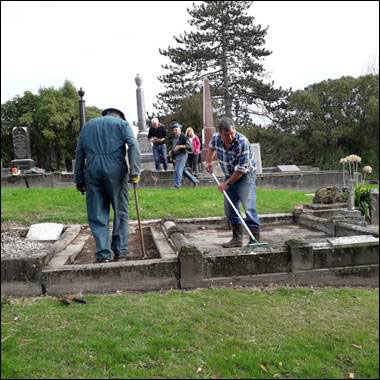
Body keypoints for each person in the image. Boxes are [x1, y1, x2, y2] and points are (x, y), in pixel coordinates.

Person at [74, 108, 141, 263]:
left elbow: (79, 153)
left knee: (97, 212)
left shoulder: (88, 125)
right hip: (115, 169)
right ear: (119, 116)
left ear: (104, 115)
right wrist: (135, 171)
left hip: (92, 169)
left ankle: (103, 254)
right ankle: (120, 251)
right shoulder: (122, 124)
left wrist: (79, 178)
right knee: (121, 210)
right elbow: (133, 146)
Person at [205, 117, 260, 247]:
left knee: (249, 207)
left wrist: (226, 184)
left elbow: (241, 170)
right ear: (220, 133)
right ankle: (237, 239)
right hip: (229, 174)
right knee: (230, 209)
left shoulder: (242, 142)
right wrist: (208, 162)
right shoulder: (215, 138)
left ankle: (255, 240)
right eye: (226, 135)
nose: (230, 137)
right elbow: (211, 148)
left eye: (232, 134)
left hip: (246, 175)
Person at [170, 123, 199, 188]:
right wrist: (172, 155)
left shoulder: (183, 136)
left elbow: (189, 146)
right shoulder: (174, 137)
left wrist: (180, 146)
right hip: (176, 156)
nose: (174, 131)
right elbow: (173, 147)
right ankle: (195, 180)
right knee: (183, 171)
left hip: (183, 155)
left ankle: (177, 185)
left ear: (179, 130)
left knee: (178, 170)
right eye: (173, 130)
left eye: (176, 130)